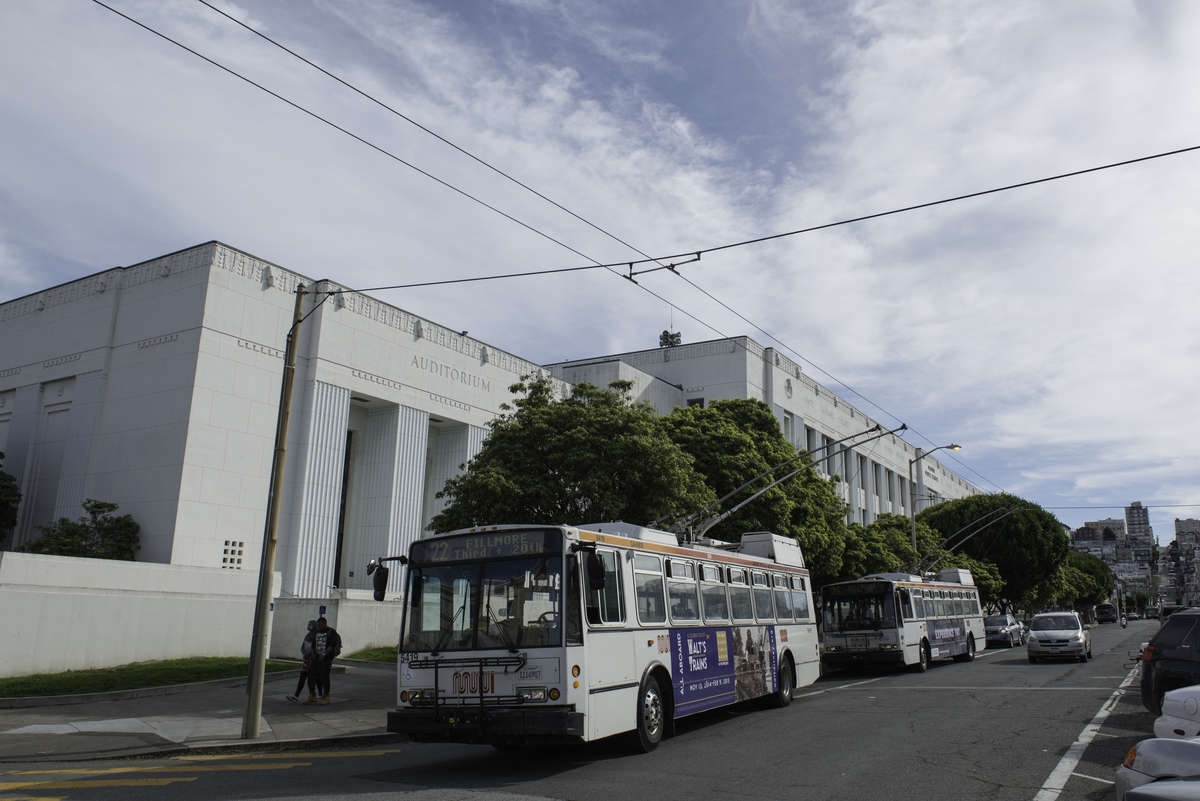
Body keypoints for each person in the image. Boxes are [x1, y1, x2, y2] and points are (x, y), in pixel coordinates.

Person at [308, 616, 342, 705]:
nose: (319, 627)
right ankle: (312, 695)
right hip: (316, 657)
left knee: (324, 676)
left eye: (321, 625)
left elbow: (332, 644)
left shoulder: (331, 632)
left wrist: (324, 654)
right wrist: (313, 653)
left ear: (325, 624)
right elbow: (313, 644)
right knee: (311, 674)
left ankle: (326, 696)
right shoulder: (317, 632)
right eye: (318, 626)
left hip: (326, 658)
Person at [286, 620, 318, 704]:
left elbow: (314, 649)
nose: (308, 626)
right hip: (306, 660)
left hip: (312, 660)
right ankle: (296, 696)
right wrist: (304, 654)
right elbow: (302, 647)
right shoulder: (307, 636)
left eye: (310, 625)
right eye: (308, 624)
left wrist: (308, 654)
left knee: (314, 679)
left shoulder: (316, 637)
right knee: (302, 678)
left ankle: (315, 695)